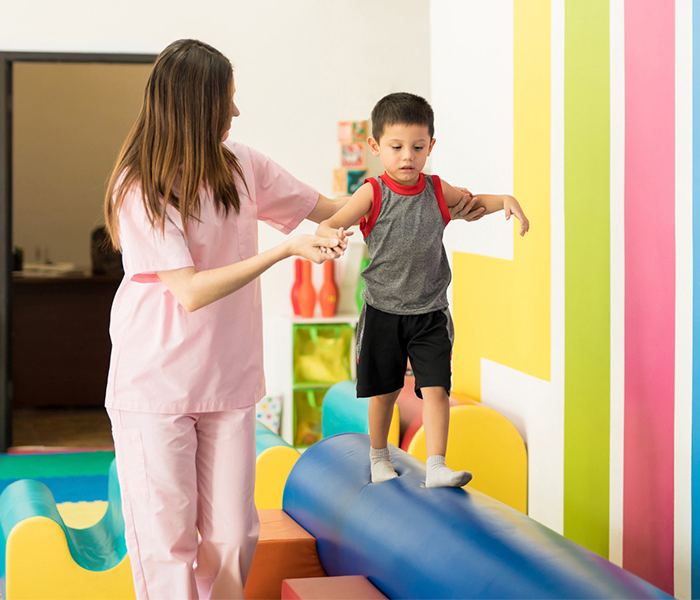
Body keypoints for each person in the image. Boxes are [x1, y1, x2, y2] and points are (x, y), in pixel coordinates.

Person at [100, 39, 351, 600]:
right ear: (196, 106)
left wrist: (411, 193)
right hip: (155, 386)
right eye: (227, 102)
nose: (236, 113)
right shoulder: (139, 185)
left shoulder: (242, 165)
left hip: (227, 380)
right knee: (168, 546)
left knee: (235, 537)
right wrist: (284, 252)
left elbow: (330, 210)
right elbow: (188, 290)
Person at [316, 92, 529, 488]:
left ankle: (436, 465)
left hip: (429, 312)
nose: (407, 157)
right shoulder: (373, 192)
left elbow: (473, 206)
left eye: (417, 147)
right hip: (383, 310)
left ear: (431, 145)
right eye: (396, 148)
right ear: (376, 147)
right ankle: (378, 456)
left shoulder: (435, 189)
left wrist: (505, 201)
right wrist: (326, 233)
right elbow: (338, 218)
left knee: (436, 388)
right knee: (386, 391)